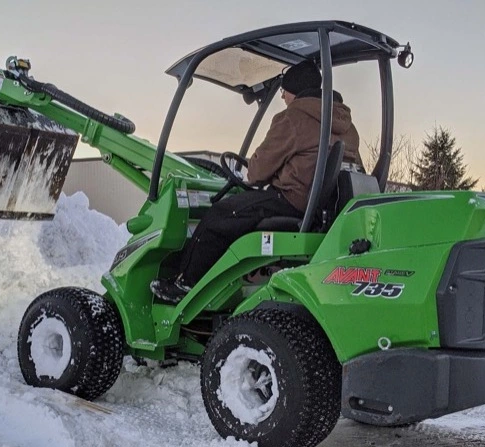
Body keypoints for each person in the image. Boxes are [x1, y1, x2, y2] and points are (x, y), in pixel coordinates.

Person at [150, 60, 361, 303]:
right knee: (238, 212)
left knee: (219, 215)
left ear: (295, 90)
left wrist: (257, 170)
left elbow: (257, 171)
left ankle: (185, 283)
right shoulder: (346, 124)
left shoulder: (294, 117)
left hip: (292, 201)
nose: (282, 97)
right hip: (327, 208)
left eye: (284, 91)